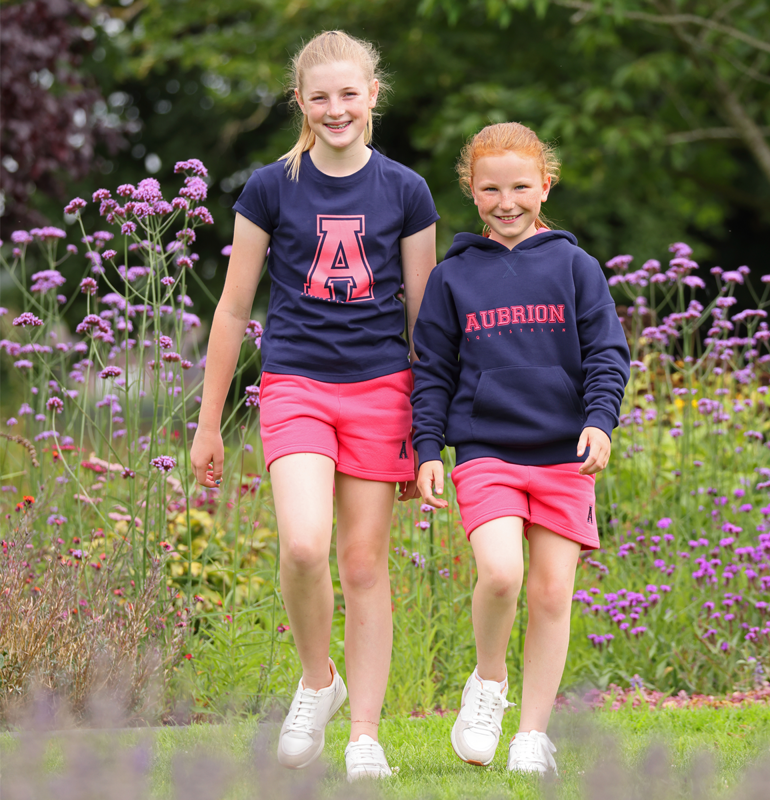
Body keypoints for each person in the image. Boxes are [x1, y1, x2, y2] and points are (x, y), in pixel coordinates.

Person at [190, 31, 438, 780]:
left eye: (349, 94)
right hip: (296, 383)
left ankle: (364, 735)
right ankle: (317, 680)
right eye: (320, 96)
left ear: (372, 96)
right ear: (300, 101)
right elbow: (234, 309)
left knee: (363, 564)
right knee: (303, 545)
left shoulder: (407, 190)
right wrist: (208, 423)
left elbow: (424, 320)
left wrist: (430, 434)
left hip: (382, 391)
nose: (336, 109)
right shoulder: (270, 188)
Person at [410, 122, 629, 774]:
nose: (506, 202)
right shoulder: (452, 277)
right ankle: (488, 683)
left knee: (553, 594)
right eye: (491, 190)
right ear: (472, 192)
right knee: (502, 573)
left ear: (545, 186)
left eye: (520, 188)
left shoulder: (575, 266)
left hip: (565, 455)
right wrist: (427, 448)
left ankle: (532, 734)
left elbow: (607, 353)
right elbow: (433, 372)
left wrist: (600, 422)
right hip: (487, 452)